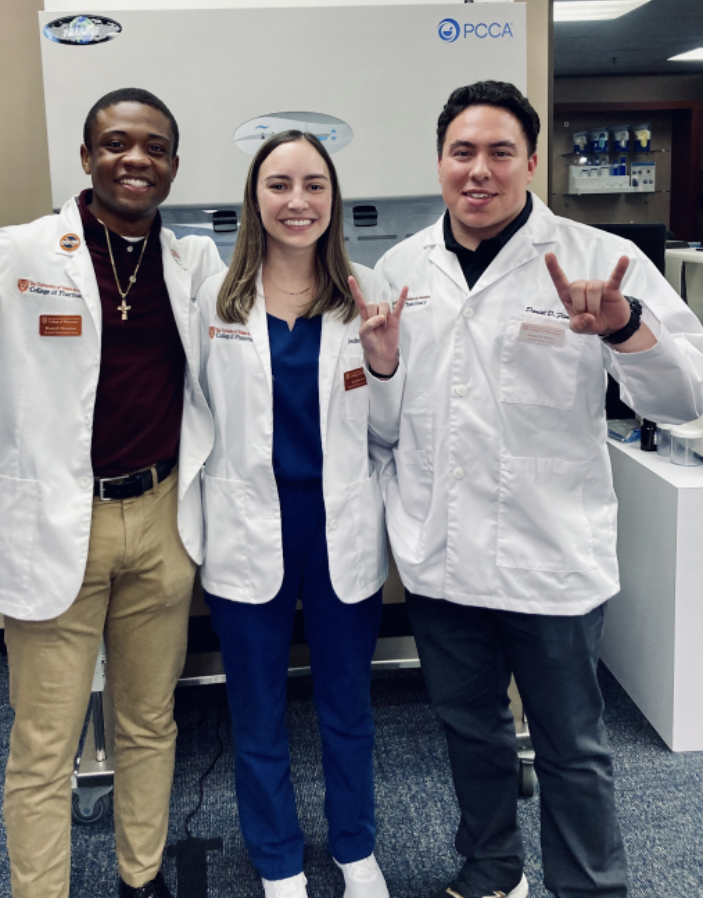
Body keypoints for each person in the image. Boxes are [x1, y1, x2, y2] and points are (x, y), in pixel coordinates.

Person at [0, 88, 225, 898]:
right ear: (85, 156)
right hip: (52, 527)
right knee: (44, 744)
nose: (134, 158)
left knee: (149, 722)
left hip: (164, 522)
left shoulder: (192, 262)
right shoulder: (18, 252)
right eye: (114, 143)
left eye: (153, 146)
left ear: (173, 165)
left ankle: (142, 878)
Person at [374, 80, 703, 898]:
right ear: (441, 161)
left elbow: (687, 397)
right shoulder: (397, 266)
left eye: (498, 153)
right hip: (440, 552)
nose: (478, 171)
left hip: (548, 553)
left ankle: (590, 887)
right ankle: (491, 872)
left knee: (572, 745)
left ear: (529, 161)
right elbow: (385, 411)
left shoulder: (596, 260)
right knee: (468, 731)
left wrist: (626, 330)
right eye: (462, 152)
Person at [193, 130, 406, 898]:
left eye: (314, 185)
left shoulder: (365, 290)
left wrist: (383, 363)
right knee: (257, 709)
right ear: (255, 196)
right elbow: (194, 412)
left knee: (349, 702)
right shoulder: (215, 299)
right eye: (279, 184)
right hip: (249, 523)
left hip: (338, 523)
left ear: (333, 199)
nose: (297, 201)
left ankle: (356, 849)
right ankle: (278, 859)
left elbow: (388, 430)